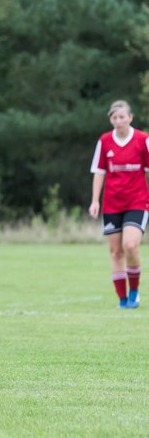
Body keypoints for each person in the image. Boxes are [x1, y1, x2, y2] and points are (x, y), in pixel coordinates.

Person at [89, 99, 149, 309]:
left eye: (122, 116)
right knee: (116, 252)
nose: (118, 120)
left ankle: (134, 291)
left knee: (130, 245)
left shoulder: (143, 140)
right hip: (112, 204)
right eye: (114, 117)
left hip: (138, 201)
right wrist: (95, 200)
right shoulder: (105, 141)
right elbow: (99, 171)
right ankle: (123, 300)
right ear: (111, 120)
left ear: (130, 118)